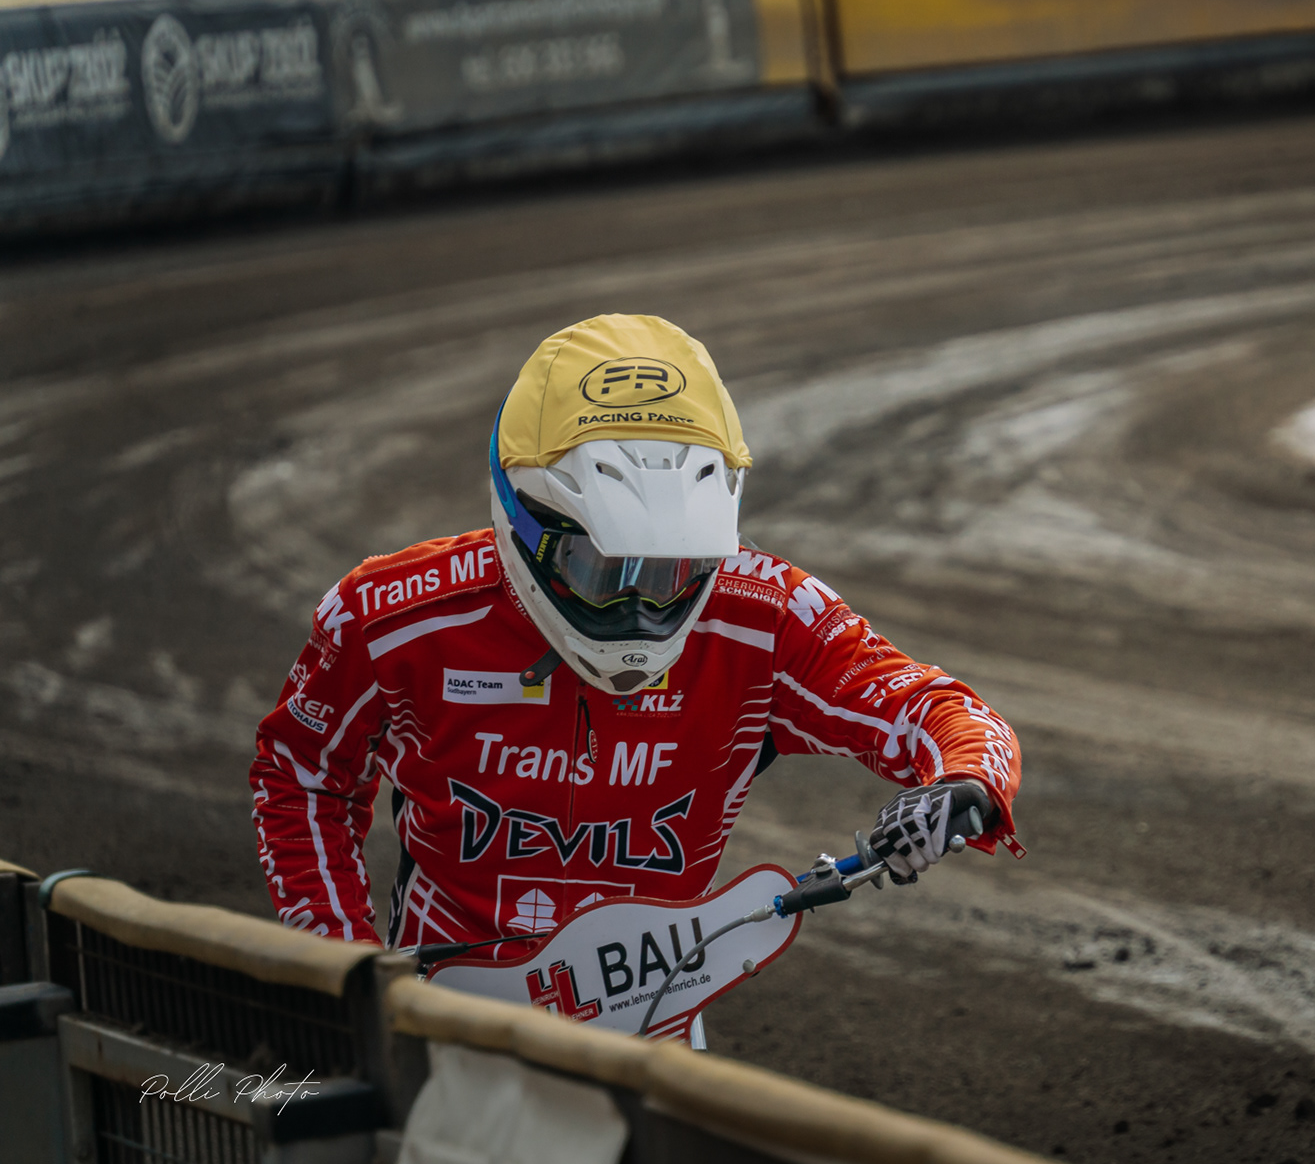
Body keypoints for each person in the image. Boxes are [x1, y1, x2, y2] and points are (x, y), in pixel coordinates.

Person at [249, 314, 1022, 966]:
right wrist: (341, 967)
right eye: (599, 569)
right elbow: (301, 773)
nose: (639, 605)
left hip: (651, 1015)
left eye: (674, 571)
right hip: (439, 1005)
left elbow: (939, 709)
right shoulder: (391, 614)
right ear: (522, 519)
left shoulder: (763, 614)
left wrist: (964, 783)